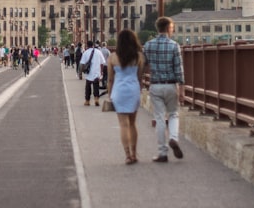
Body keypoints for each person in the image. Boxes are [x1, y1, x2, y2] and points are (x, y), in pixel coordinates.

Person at [143, 16, 185, 163]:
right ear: (168, 28)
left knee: (160, 118)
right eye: (172, 28)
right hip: (171, 84)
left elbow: (143, 65)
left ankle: (162, 153)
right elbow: (179, 69)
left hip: (155, 84)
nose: (172, 31)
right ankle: (173, 138)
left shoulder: (148, 45)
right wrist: (182, 89)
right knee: (173, 114)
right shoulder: (174, 46)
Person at [108, 29, 144, 164]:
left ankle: (128, 155)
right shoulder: (138, 57)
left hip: (119, 91)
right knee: (133, 124)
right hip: (133, 89)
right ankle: (135, 154)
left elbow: (110, 79)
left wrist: (109, 95)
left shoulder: (113, 57)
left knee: (123, 125)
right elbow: (140, 77)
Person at [79, 40, 106, 106]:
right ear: (93, 45)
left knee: (88, 87)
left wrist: (81, 72)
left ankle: (87, 101)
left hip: (89, 73)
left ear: (87, 45)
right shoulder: (98, 52)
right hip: (97, 72)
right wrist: (101, 72)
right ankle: (96, 99)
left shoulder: (85, 52)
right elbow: (102, 63)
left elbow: (82, 64)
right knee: (96, 87)